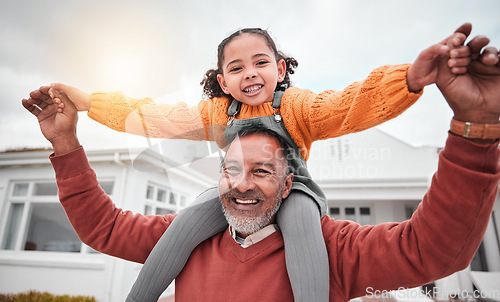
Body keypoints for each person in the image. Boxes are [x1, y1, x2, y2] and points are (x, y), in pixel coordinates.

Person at [23, 23, 499, 301]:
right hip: (217, 202)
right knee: (184, 225)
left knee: (303, 236)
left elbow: (351, 104)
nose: (250, 73)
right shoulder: (213, 114)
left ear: (282, 69)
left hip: (301, 200)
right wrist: (88, 104)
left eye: (260, 63)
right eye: (236, 68)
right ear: (222, 81)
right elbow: (153, 116)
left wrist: (409, 81)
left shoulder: (299, 108)